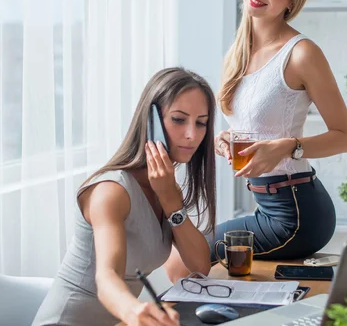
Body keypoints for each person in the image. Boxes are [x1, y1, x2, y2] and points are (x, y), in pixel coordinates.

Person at [33, 68, 217, 326]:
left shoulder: (164, 187)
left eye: (201, 122)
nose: (192, 134)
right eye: (178, 119)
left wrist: (170, 199)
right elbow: (107, 277)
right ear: (150, 122)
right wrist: (135, 311)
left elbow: (199, 264)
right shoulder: (111, 191)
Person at [212, 0, 347, 262]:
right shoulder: (237, 54)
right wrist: (225, 138)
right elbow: (252, 124)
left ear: (292, 0)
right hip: (265, 204)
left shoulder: (302, 53)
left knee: (190, 250)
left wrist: (285, 146)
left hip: (296, 214)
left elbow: (345, 138)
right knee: (195, 252)